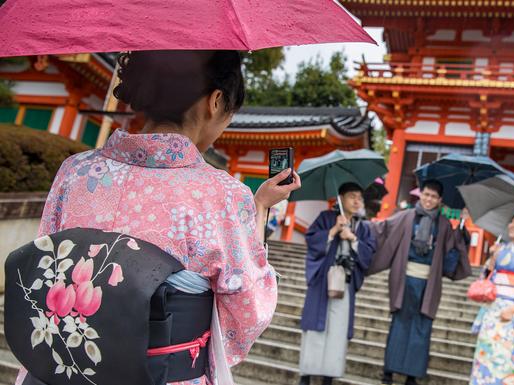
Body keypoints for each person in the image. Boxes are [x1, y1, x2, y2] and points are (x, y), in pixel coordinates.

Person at [6, 51, 302, 385]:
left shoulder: (75, 172)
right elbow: (248, 312)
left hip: (61, 371)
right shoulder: (223, 193)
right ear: (216, 102)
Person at [368, 179, 471, 385]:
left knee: (422, 326)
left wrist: (461, 228)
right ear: (420, 194)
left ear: (440, 200)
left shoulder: (443, 224)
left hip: (428, 283)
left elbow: (454, 249)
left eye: (433, 197)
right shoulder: (406, 217)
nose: (428, 200)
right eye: (426, 195)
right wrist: (363, 227)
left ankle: (411, 375)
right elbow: (383, 230)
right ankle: (389, 371)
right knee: (400, 323)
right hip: (405, 277)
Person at [298, 183, 376, 385]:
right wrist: (333, 230)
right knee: (316, 329)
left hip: (345, 284)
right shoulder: (326, 218)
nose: (357, 200)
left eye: (359, 197)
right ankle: (306, 374)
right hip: (323, 280)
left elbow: (369, 255)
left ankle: (328, 377)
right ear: (340, 198)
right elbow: (312, 241)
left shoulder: (363, 226)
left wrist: (352, 238)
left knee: (338, 330)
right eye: (352, 196)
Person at [469, 211, 514, 385]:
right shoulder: (500, 249)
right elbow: (486, 276)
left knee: (507, 357)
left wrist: (513, 308)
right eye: (511, 221)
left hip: (512, 311)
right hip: (492, 307)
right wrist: (492, 259)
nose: (512, 225)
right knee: (484, 354)